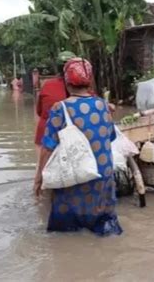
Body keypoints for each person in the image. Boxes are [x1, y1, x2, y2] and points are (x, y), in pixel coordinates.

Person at [34, 58, 123, 237]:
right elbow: (111, 136)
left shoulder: (60, 108)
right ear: (89, 81)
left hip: (75, 174)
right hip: (102, 174)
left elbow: (47, 147)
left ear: (66, 82)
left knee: (66, 234)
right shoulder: (103, 105)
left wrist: (39, 178)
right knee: (105, 230)